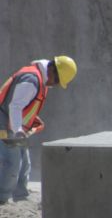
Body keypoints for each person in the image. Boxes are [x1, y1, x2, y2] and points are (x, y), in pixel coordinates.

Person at [0, 56, 77, 205]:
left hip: (13, 124)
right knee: (12, 162)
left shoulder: (39, 78)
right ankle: (2, 199)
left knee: (24, 162)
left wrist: (32, 119)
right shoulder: (32, 80)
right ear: (52, 70)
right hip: (5, 122)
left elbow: (23, 105)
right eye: (56, 81)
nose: (54, 85)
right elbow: (15, 106)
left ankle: (20, 197)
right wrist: (17, 130)